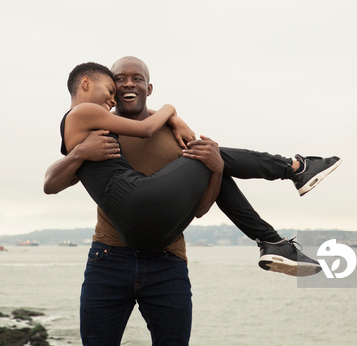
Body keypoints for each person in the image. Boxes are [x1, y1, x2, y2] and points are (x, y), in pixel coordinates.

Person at [45, 56, 340, 345]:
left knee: (211, 158)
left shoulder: (174, 135)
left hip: (166, 257)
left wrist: (216, 169)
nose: (121, 88)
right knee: (210, 154)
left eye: (136, 79)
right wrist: (170, 110)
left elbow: (198, 210)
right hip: (111, 256)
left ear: (149, 89)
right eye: (116, 82)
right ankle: (293, 173)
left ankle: (276, 231)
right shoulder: (97, 129)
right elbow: (52, 182)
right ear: (89, 84)